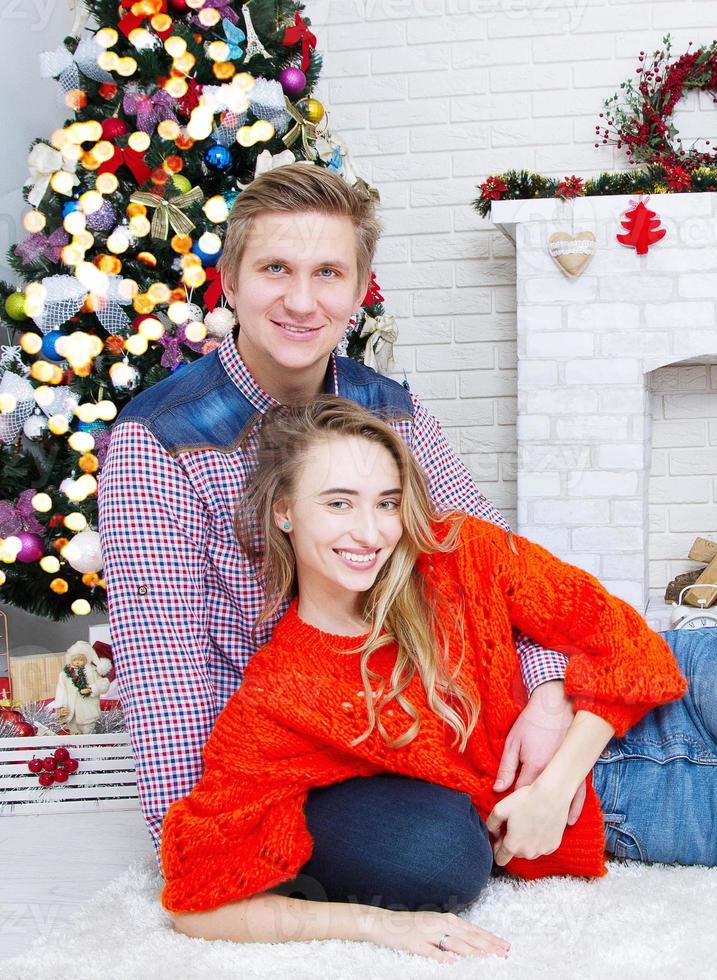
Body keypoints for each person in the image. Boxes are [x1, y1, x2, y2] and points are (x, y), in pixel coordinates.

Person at [158, 397, 717, 962]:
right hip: (649, 819)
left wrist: (554, 783)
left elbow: (628, 639)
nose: (371, 530)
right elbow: (197, 894)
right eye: (338, 503)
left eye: (387, 501)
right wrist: (378, 928)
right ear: (282, 512)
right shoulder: (277, 698)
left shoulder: (458, 555)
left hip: (696, 697)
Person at [98, 162, 584, 911]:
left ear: (358, 295)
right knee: (437, 855)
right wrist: (201, 843)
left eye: (328, 273)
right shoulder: (160, 441)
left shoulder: (389, 411)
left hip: (414, 715)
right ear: (229, 282)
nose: (300, 300)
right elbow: (166, 673)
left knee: (672, 681)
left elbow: (497, 563)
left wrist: (549, 693)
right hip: (295, 759)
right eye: (274, 269)